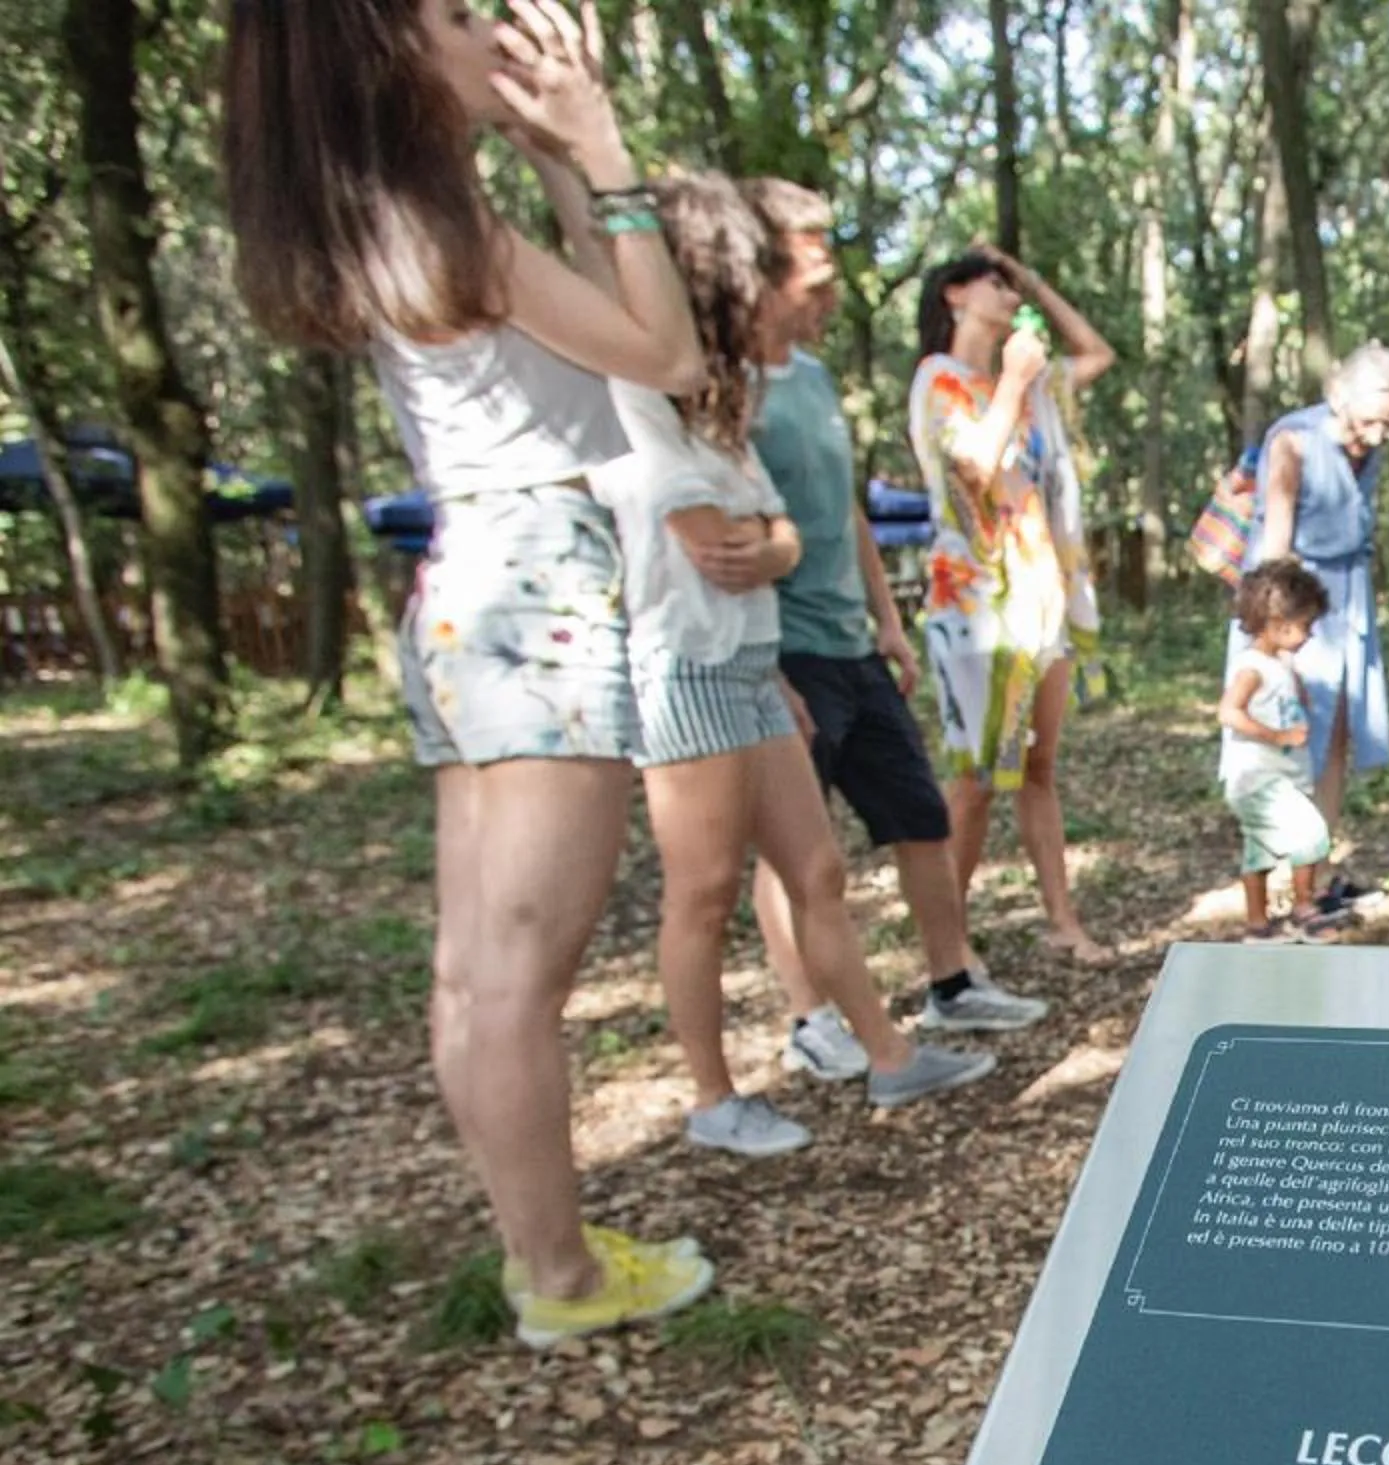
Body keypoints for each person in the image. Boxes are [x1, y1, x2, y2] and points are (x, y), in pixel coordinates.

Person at [225, 0, 717, 1348]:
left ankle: (538, 1249)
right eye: (458, 17)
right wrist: (605, 148)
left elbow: (603, 310)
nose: (495, 30)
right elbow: (666, 355)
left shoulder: (399, 218)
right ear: (389, 51)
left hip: (471, 584)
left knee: (474, 968)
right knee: (516, 972)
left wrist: (550, 138)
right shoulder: (449, 234)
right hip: (541, 581)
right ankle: (559, 1280)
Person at [587, 173, 995, 1156]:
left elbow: (768, 533)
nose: (827, 293)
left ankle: (891, 1057)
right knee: (703, 889)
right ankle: (715, 1097)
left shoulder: (722, 397)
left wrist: (766, 545)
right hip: (684, 667)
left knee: (816, 866)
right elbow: (709, 532)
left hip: (755, 662)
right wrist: (761, 541)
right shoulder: (640, 385)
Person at [735, 179, 1048, 1081]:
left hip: (853, 642)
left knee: (917, 815)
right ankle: (810, 1017)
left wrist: (886, 623)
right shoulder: (727, 386)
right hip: (783, 647)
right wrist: (770, 665)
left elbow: (848, 513)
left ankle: (952, 979)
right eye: (810, 240)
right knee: (799, 844)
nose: (830, 253)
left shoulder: (816, 375)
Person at [907, 247, 1117, 963]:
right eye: (995, 283)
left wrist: (1033, 281)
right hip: (972, 604)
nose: (1007, 294)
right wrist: (1016, 379)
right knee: (973, 779)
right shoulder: (940, 381)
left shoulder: (1030, 386)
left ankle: (1063, 920)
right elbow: (973, 469)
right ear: (955, 295)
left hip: (1040, 596)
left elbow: (1096, 351)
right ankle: (950, 948)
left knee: (1038, 766)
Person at [1236, 343, 1389, 918]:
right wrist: (1276, 642)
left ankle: (1319, 872)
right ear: (1340, 398)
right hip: (1297, 601)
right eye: (1369, 422)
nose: (1378, 436)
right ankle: (1285, 887)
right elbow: (1275, 548)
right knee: (1290, 740)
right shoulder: (1294, 442)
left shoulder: (1371, 448)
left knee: (1335, 738)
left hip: (1349, 602)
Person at [1218, 560, 1337, 941]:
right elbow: (1228, 712)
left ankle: (1257, 923)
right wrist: (1276, 736)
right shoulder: (1252, 668)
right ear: (1278, 624)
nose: (1310, 635)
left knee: (1260, 850)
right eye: (1306, 625)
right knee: (1312, 833)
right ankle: (1304, 907)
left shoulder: (1280, 665)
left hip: (1277, 778)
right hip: (1259, 780)